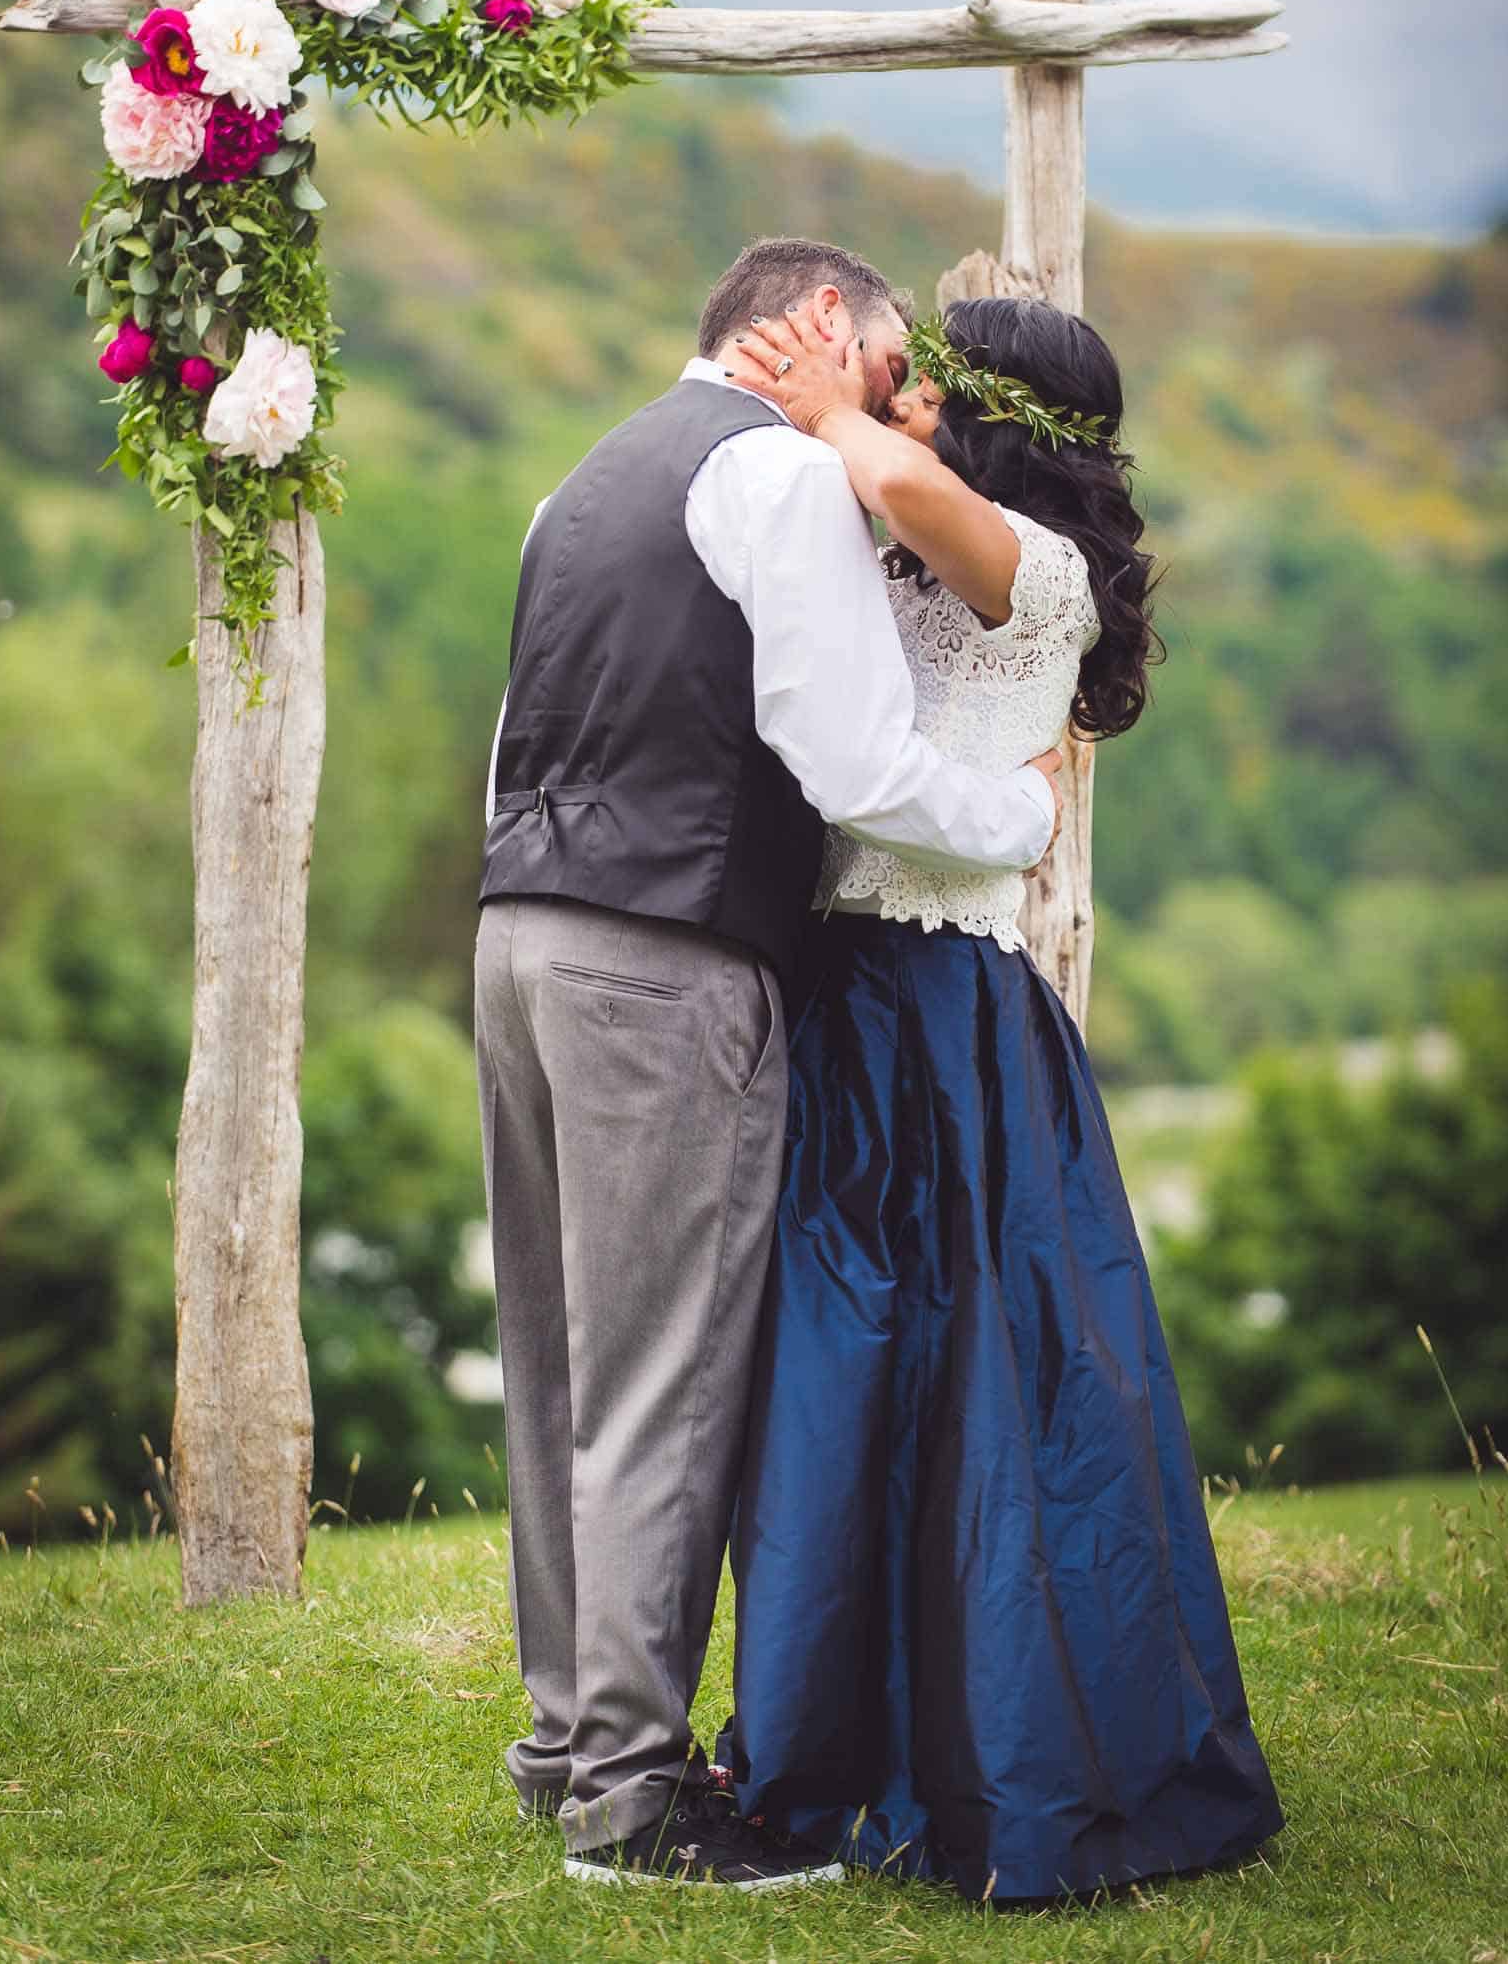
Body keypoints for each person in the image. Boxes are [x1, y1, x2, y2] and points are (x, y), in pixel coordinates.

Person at [473, 239, 1066, 1889]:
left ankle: (562, 1743)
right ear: (814, 327)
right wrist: (1020, 816)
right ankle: (634, 1801)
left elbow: (518, 744)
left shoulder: (578, 484)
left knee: (559, 1362)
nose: (890, 410)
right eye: (886, 367)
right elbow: (852, 756)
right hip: (665, 958)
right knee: (665, 1369)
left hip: (515, 934)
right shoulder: (779, 483)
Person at [715, 294, 1286, 1905]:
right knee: (838, 1389)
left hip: (944, 1027)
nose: (892, 404)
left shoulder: (1038, 575)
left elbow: (901, 492)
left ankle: (1002, 1767)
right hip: (845, 1005)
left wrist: (834, 403)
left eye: (916, 386)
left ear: (991, 419)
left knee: (981, 1397)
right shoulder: (910, 530)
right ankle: (826, 1752)